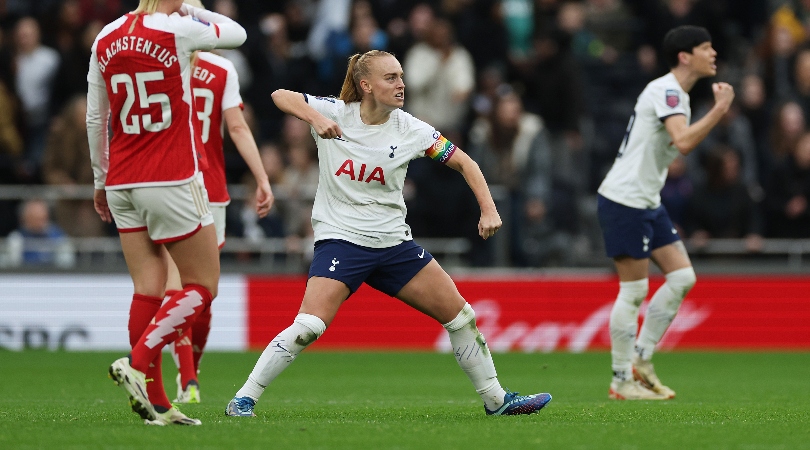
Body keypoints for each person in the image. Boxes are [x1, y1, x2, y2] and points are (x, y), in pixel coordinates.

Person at [225, 49, 552, 418]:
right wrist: (315, 118)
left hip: (394, 245)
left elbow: (465, 162)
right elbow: (279, 96)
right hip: (342, 240)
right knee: (310, 326)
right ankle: (243, 399)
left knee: (462, 317)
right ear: (366, 85)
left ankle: (497, 400)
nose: (401, 85)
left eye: (400, 76)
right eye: (391, 78)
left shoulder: (412, 129)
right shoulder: (335, 112)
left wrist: (489, 209)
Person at [86, 0, 249, 425]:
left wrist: (101, 180)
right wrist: (198, 12)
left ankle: (157, 403)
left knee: (148, 286)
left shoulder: (105, 36)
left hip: (122, 179)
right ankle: (137, 362)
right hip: (172, 177)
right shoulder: (176, 29)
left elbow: (95, 118)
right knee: (202, 284)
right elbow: (237, 33)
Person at [596, 25, 734, 400]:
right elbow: (684, 141)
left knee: (682, 277)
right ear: (685, 56)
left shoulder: (677, 96)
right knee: (634, 289)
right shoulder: (667, 90)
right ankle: (621, 380)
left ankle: (641, 359)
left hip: (646, 200)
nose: (713, 53)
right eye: (706, 47)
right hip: (625, 199)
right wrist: (720, 109)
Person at [167, 0, 274, 405]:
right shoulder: (222, 69)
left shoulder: (159, 62)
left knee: (176, 286)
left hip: (167, 182)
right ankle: (190, 374)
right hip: (210, 189)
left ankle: (186, 376)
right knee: (202, 287)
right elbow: (237, 127)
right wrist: (261, 177)